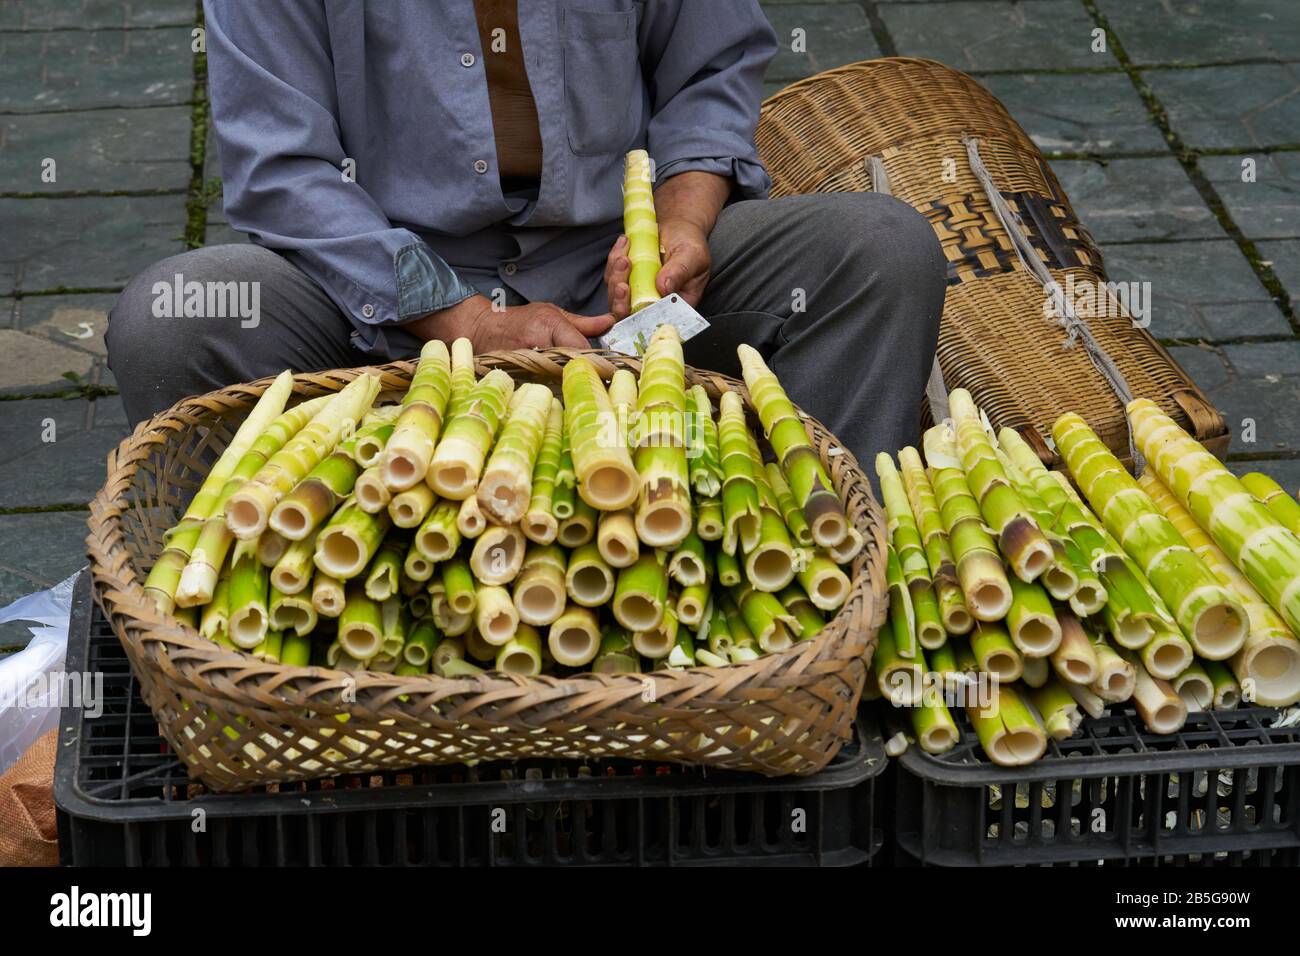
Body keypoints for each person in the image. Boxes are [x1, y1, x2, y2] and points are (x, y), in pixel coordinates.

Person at [107, 0, 944, 469]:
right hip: (379, 298)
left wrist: (685, 220)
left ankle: (832, 593)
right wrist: (468, 322)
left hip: (616, 279)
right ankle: (250, 636)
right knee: (175, 318)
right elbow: (282, 175)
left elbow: (710, 72)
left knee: (880, 253)